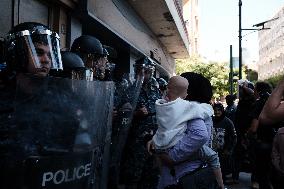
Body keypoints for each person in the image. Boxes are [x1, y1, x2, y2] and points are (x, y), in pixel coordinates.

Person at [0, 22, 63, 189]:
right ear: (17, 54)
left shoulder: (57, 97)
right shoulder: (3, 96)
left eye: (50, 55)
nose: (46, 60)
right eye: (38, 52)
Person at [149, 76, 224, 189]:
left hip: (182, 175)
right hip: (181, 174)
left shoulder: (191, 112)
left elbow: (200, 135)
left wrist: (171, 157)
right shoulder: (188, 109)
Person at [119, 57, 161, 189]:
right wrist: (136, 114)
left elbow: (161, 107)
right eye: (141, 71)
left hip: (154, 140)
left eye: (147, 71)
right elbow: (121, 115)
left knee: (151, 175)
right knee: (133, 176)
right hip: (136, 141)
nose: (144, 74)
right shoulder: (129, 91)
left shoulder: (156, 90)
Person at [212, 103, 237, 185]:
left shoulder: (228, 122)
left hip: (223, 152)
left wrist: (228, 150)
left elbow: (234, 138)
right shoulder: (211, 120)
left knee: (223, 173)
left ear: (222, 111)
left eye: (219, 110)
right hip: (212, 151)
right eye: (215, 110)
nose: (217, 112)